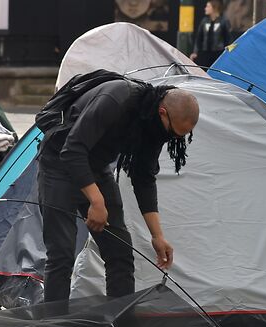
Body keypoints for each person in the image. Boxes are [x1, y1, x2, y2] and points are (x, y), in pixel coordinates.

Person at [36, 72, 199, 302]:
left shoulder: (154, 126)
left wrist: (157, 236)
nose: (173, 139)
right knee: (61, 254)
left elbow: (143, 178)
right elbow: (72, 150)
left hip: (96, 166)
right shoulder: (117, 99)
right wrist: (96, 201)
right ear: (163, 112)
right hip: (58, 163)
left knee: (120, 253)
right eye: (174, 133)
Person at [190, 0, 232, 68]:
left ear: (214, 8)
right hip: (205, 54)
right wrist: (195, 52)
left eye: (208, 6)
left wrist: (229, 54)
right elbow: (199, 39)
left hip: (218, 54)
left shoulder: (223, 21)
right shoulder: (204, 21)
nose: (205, 8)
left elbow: (228, 39)